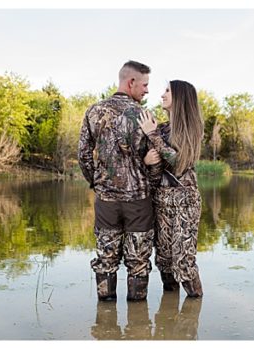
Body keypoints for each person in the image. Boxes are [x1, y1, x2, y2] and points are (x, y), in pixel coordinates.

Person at [78, 60, 156, 301]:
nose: (147, 90)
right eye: (144, 85)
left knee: (106, 258)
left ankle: (105, 324)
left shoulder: (94, 111)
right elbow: (155, 160)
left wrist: (98, 183)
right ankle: (138, 326)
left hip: (106, 202)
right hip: (139, 202)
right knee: (139, 262)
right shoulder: (144, 116)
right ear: (130, 82)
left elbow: (83, 155)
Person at [139, 80, 205, 297]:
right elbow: (156, 175)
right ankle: (167, 323)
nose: (162, 95)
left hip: (185, 202)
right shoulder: (161, 129)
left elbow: (179, 163)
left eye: (167, 91)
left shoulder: (192, 128)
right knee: (165, 261)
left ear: (180, 97)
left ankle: (193, 313)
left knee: (183, 262)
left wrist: (152, 135)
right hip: (162, 201)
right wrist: (149, 163)